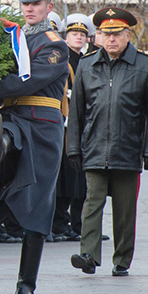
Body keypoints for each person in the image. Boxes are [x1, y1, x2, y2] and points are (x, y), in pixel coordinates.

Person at [0, 0, 69, 294]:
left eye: (35, 3)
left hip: (43, 128)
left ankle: (25, 285)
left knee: (37, 207)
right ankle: (1, 143)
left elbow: (26, 82)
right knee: (5, 132)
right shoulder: (12, 39)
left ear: (49, 6)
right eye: (25, 3)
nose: (29, 8)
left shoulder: (54, 45)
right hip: (15, 118)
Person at [68, 7, 148, 277]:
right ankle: (88, 254)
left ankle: (122, 259)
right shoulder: (87, 66)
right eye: (105, 34)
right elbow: (76, 111)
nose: (111, 40)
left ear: (127, 35)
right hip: (94, 146)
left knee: (125, 211)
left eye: (117, 34)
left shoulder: (145, 66)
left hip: (128, 147)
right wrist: (74, 147)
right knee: (92, 202)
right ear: (98, 36)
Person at [51, 14, 90, 243]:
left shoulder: (85, 60)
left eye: (82, 34)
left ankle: (78, 225)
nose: (78, 37)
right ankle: (59, 224)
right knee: (64, 179)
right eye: (74, 34)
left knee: (79, 181)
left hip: (81, 125)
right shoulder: (61, 59)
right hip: (65, 123)